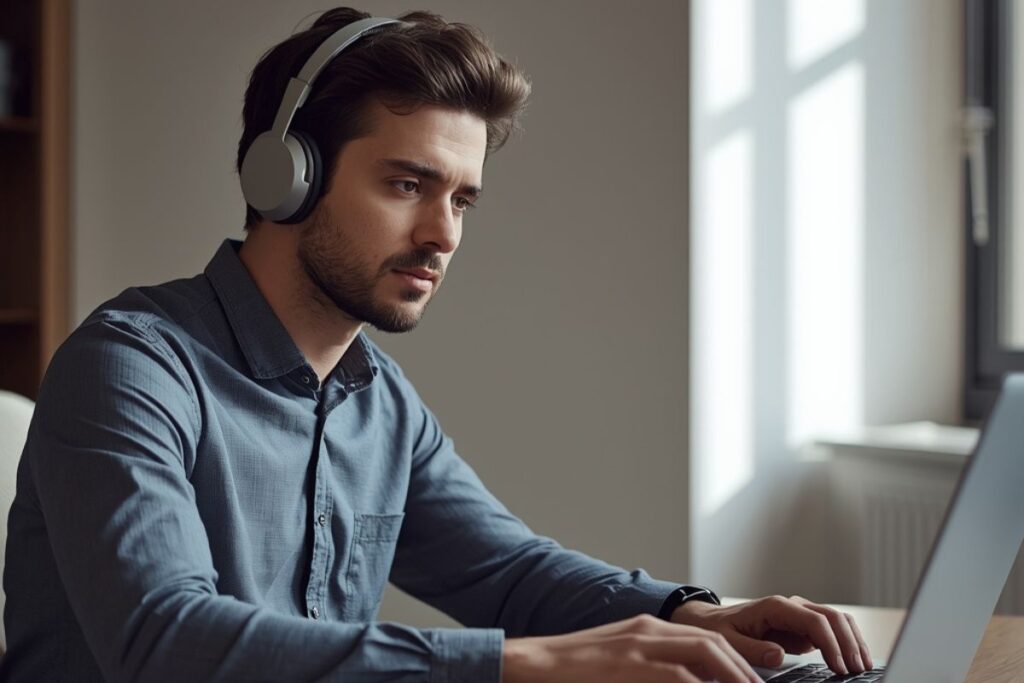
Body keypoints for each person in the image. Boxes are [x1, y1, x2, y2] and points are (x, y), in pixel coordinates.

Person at [1, 8, 873, 682]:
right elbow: (166, 640)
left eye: (461, 200)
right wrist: (516, 666)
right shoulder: (131, 367)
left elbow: (510, 572)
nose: (442, 233)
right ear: (284, 176)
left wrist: (687, 613)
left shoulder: (375, 400)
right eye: (408, 184)